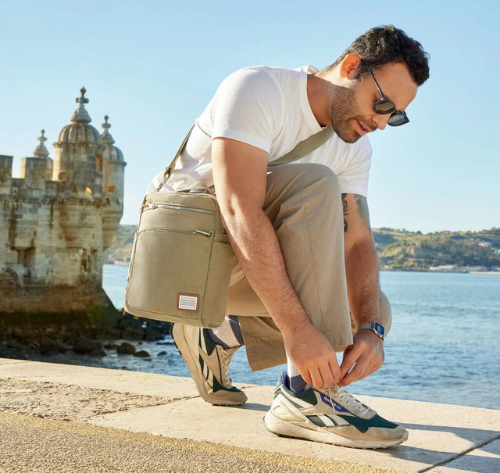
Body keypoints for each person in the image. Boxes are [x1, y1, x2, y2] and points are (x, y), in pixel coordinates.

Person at [147, 25, 430, 449]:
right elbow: (239, 208)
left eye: (396, 115)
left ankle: (218, 333)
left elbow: (357, 244)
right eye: (382, 103)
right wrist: (298, 331)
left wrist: (371, 330)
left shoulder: (356, 147)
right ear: (351, 67)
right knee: (315, 184)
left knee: (371, 309)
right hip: (186, 258)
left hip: (244, 268)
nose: (382, 123)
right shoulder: (258, 88)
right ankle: (303, 396)